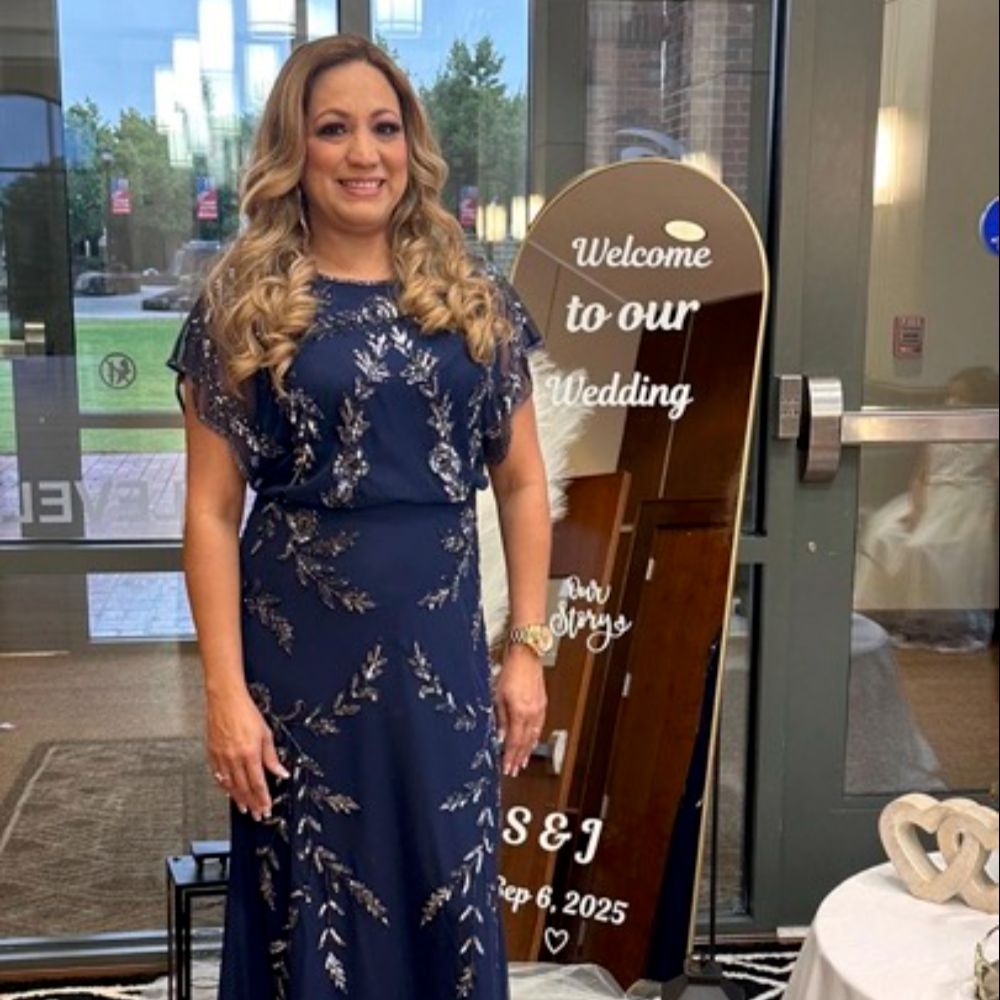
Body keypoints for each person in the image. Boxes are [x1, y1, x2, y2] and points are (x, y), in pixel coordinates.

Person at [165, 34, 552, 1000]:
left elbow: (522, 484)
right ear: (293, 150)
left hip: (443, 671)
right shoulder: (243, 305)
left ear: (411, 146)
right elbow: (210, 514)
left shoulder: (474, 298)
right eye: (333, 129)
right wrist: (224, 693)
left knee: (447, 891)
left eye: (384, 128)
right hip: (300, 679)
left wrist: (527, 647)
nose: (363, 153)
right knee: (314, 910)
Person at [854, 366, 999, 651]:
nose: (952, 403)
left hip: (969, 501)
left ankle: (935, 624)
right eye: (950, 397)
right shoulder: (937, 431)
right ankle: (883, 616)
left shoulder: (990, 434)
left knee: (925, 547)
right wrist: (917, 509)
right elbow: (920, 476)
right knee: (884, 534)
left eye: (962, 398)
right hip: (932, 497)